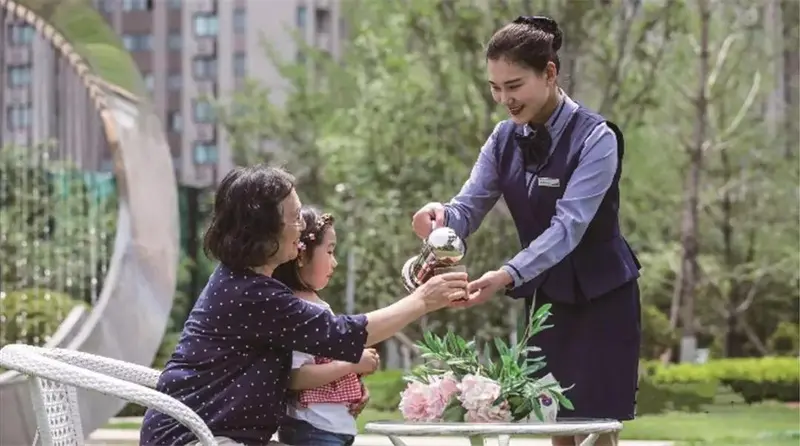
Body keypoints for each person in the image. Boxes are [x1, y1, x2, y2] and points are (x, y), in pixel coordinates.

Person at [411, 16, 641, 446]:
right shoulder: (503, 138)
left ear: (550, 73)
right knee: (551, 421)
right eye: (495, 88)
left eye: (514, 86)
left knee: (595, 425)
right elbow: (469, 205)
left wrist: (505, 275)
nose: (504, 100)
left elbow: (568, 227)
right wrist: (440, 217)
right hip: (545, 300)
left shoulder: (597, 138)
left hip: (602, 296)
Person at [140, 165, 468, 446]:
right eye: (296, 217)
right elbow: (342, 334)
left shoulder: (243, 283)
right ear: (265, 229)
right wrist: (422, 300)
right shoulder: (253, 294)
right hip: (193, 438)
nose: (302, 226)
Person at [272, 208, 372, 446]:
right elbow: (295, 376)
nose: (334, 262)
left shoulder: (316, 306)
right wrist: (351, 363)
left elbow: (323, 364)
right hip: (314, 429)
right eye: (329, 251)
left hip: (330, 428)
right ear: (302, 255)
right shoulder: (296, 309)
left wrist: (355, 384)